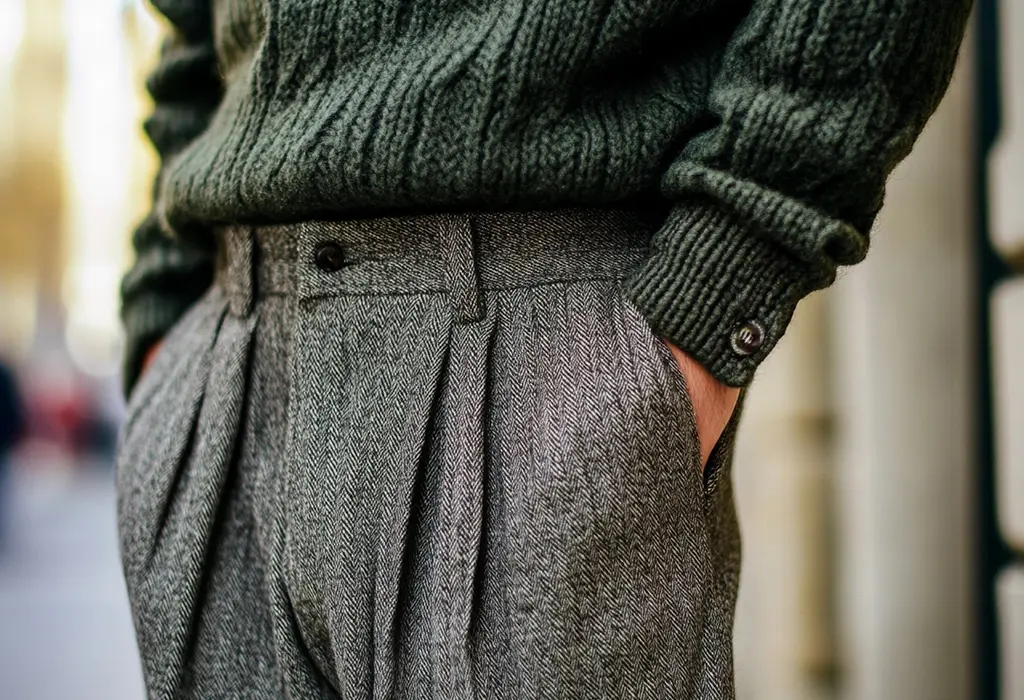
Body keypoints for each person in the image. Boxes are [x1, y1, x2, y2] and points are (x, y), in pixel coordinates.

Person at [115, 1, 972, 697]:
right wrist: (162, 308)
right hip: (231, 350)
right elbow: (189, 29)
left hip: (534, 360)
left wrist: (714, 302)